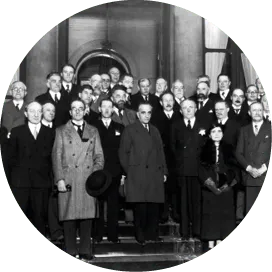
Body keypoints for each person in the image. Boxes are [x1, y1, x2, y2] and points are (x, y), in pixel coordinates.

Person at [52, 99, 104, 260]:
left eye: (80, 108)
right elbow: (56, 156)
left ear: (85, 110)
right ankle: (71, 250)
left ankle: (85, 250)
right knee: (69, 216)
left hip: (87, 180)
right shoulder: (61, 130)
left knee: (87, 217)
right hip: (69, 178)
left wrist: (94, 176)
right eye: (74, 108)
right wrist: (59, 178)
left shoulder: (93, 130)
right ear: (70, 112)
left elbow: (99, 156)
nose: (77, 111)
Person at [119, 102, 167, 245]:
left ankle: (152, 233)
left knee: (153, 205)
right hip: (137, 173)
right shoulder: (130, 130)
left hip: (154, 173)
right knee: (140, 207)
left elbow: (160, 152)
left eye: (148, 112)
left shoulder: (155, 130)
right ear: (138, 114)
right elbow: (123, 153)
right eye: (143, 112)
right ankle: (140, 234)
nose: (146, 115)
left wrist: (164, 171)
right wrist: (130, 171)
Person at [9, 101, 55, 237]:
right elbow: (9, 158)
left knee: (40, 218)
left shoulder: (51, 133)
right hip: (20, 184)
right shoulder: (17, 132)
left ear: (42, 113)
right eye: (32, 111)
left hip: (41, 183)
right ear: (25, 113)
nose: (36, 114)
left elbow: (53, 159)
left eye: (38, 111)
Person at [171, 99, 205, 240]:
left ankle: (197, 230)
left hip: (198, 170)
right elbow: (173, 148)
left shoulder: (203, 125)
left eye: (191, 107)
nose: (188, 110)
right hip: (182, 169)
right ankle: (184, 231)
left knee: (197, 202)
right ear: (180, 111)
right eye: (185, 108)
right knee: (183, 202)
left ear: (196, 109)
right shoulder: (175, 126)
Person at [199, 124, 236, 249]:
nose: (216, 134)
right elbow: (200, 168)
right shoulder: (203, 149)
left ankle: (221, 240)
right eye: (213, 131)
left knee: (224, 214)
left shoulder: (229, 149)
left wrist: (227, 183)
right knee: (211, 214)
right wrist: (211, 184)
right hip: (209, 188)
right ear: (209, 135)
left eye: (219, 131)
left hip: (226, 188)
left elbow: (234, 168)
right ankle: (210, 242)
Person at [93, 99, 124, 243]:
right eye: (103, 106)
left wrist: (123, 172)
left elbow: (123, 151)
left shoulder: (120, 127)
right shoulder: (93, 127)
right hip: (98, 171)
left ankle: (113, 235)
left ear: (113, 109)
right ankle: (98, 235)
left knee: (114, 204)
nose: (106, 109)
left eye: (109, 107)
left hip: (115, 171)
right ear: (99, 108)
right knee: (97, 204)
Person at [236, 102, 272, 216]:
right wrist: (249, 168)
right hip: (250, 177)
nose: (257, 113)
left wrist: (264, 168)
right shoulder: (244, 130)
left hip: (266, 175)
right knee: (250, 211)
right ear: (249, 113)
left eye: (259, 110)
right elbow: (238, 153)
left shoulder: (270, 128)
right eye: (254, 110)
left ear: (263, 112)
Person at [151, 92, 181, 222]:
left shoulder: (179, 116)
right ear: (161, 103)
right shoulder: (155, 118)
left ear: (174, 102)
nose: (168, 103)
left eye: (171, 100)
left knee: (175, 185)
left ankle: (175, 212)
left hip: (176, 157)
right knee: (161, 185)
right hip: (160, 156)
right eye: (165, 100)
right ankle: (162, 213)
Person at [0, 81, 28, 182]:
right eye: (15, 89)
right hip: (5, 147)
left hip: (22, 148)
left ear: (25, 93)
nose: (18, 91)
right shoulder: (3, 107)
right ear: (11, 92)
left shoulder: (30, 108)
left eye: (21, 89)